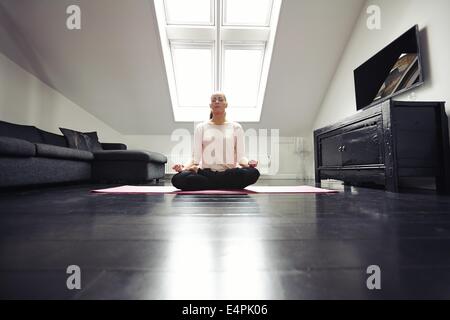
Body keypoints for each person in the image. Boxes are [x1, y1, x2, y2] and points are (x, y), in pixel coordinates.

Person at [171, 92, 260, 191]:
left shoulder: (236, 127)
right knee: (177, 179)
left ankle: (209, 183)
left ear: (226, 104)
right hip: (210, 173)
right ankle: (224, 184)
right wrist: (183, 168)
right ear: (210, 105)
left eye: (220, 99)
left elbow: (241, 158)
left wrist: (249, 164)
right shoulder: (201, 127)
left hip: (226, 173)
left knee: (254, 173)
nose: (217, 102)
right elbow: (195, 157)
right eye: (214, 100)